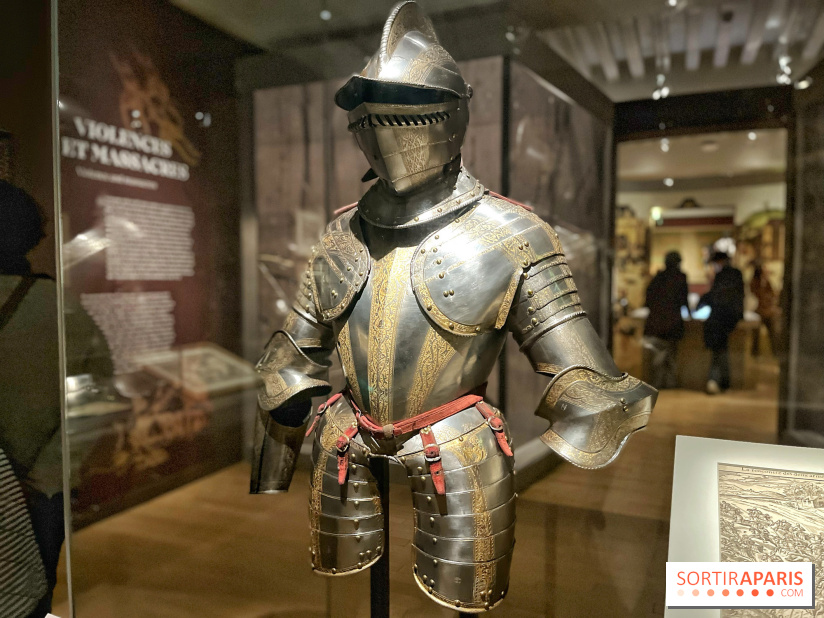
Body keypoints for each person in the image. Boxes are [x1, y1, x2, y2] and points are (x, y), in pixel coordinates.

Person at [0, 180, 112, 617]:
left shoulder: (58, 304)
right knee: (30, 597)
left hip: (36, 490)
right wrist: (46, 477)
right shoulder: (58, 304)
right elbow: (96, 394)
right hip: (39, 491)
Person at [698, 251, 744, 394]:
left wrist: (701, 303)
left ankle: (715, 381)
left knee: (718, 351)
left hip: (720, 318)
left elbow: (714, 296)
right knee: (721, 350)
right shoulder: (736, 274)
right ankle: (722, 382)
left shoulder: (722, 276)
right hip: (730, 317)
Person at [643, 251, 689, 389]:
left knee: (658, 356)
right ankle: (670, 383)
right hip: (673, 323)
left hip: (656, 323)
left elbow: (648, 300)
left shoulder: (658, 278)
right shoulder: (680, 278)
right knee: (671, 356)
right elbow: (683, 300)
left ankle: (657, 383)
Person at [750, 261, 779, 356]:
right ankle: (755, 353)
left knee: (772, 333)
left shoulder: (766, 282)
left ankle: (775, 352)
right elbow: (756, 294)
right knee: (756, 335)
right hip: (759, 311)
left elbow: (771, 294)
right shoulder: (754, 282)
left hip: (767, 311)